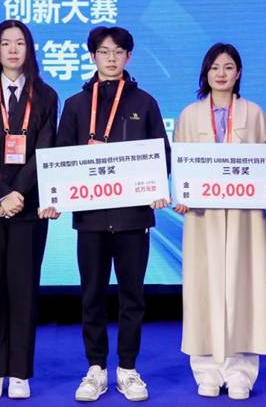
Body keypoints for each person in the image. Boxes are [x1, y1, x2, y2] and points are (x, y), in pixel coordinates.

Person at [42, 26, 171, 403]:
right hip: (91, 219)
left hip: (133, 218)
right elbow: (61, 156)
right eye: (103, 51)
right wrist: (54, 196)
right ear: (92, 56)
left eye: (118, 51)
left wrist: (155, 188)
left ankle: (127, 369)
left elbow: (160, 154)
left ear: (128, 56)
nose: (111, 58)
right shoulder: (76, 104)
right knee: (92, 297)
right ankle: (96, 368)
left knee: (133, 298)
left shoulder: (145, 101)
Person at [172, 43, 266, 400]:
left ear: (238, 73)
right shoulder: (189, 115)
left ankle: (241, 371)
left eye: (228, 67)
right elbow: (181, 165)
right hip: (203, 217)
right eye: (215, 67)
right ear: (206, 72)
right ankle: (207, 370)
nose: (221, 73)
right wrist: (182, 195)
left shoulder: (255, 114)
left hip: (246, 217)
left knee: (245, 286)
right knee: (204, 286)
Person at [0, 20, 59, 399]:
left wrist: (19, 192)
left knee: (23, 290)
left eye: (20, 43)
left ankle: (19, 371)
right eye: (6, 43)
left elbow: (45, 148)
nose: (13, 50)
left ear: (29, 49)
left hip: (29, 207)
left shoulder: (46, 95)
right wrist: (1, 194)